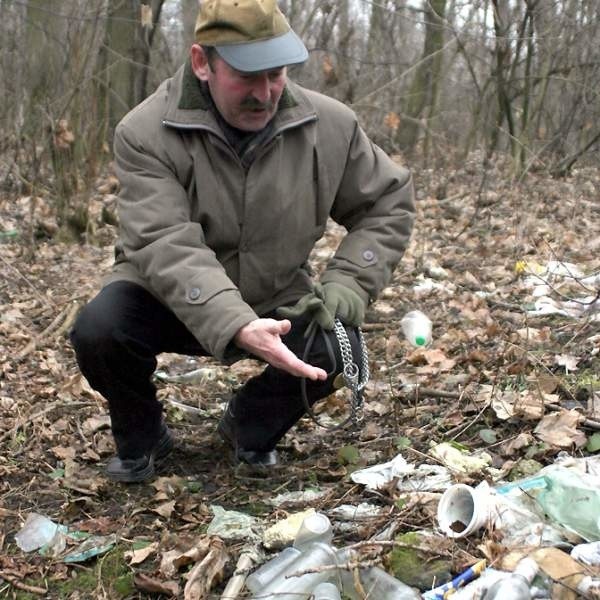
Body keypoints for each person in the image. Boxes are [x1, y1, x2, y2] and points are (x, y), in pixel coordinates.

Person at [70, 0, 415, 483]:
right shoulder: (144, 132)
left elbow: (388, 202)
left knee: (341, 346)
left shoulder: (331, 126)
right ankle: (142, 434)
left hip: (274, 290)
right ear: (201, 64)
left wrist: (351, 284)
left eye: (276, 75)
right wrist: (235, 323)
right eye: (246, 77)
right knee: (99, 329)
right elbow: (165, 240)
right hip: (164, 295)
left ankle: (249, 426)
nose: (265, 93)